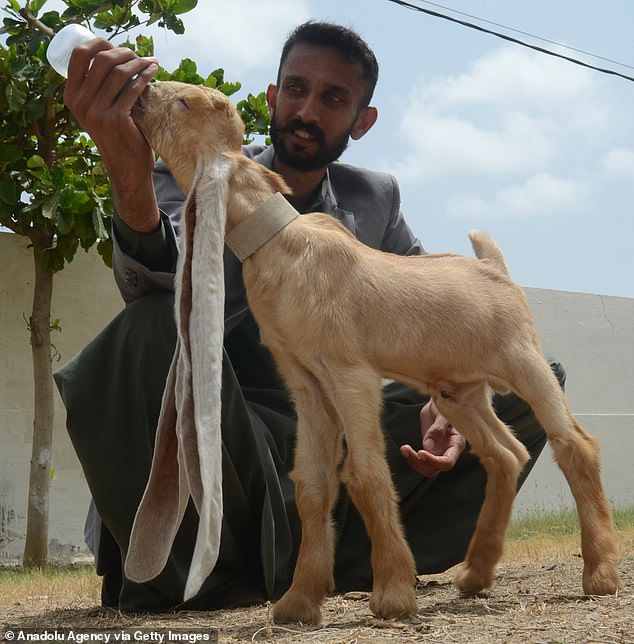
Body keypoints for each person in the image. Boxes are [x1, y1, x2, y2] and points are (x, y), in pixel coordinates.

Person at [55, 21, 565, 612]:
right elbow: (157, 285)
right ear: (272, 96)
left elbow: (428, 303)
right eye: (295, 88)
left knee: (530, 384)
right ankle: (253, 553)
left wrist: (445, 392)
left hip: (331, 419)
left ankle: (307, 558)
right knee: (145, 331)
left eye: (333, 98)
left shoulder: (375, 198)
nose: (306, 109)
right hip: (232, 424)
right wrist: (128, 173)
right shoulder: (202, 161)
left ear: (361, 121)